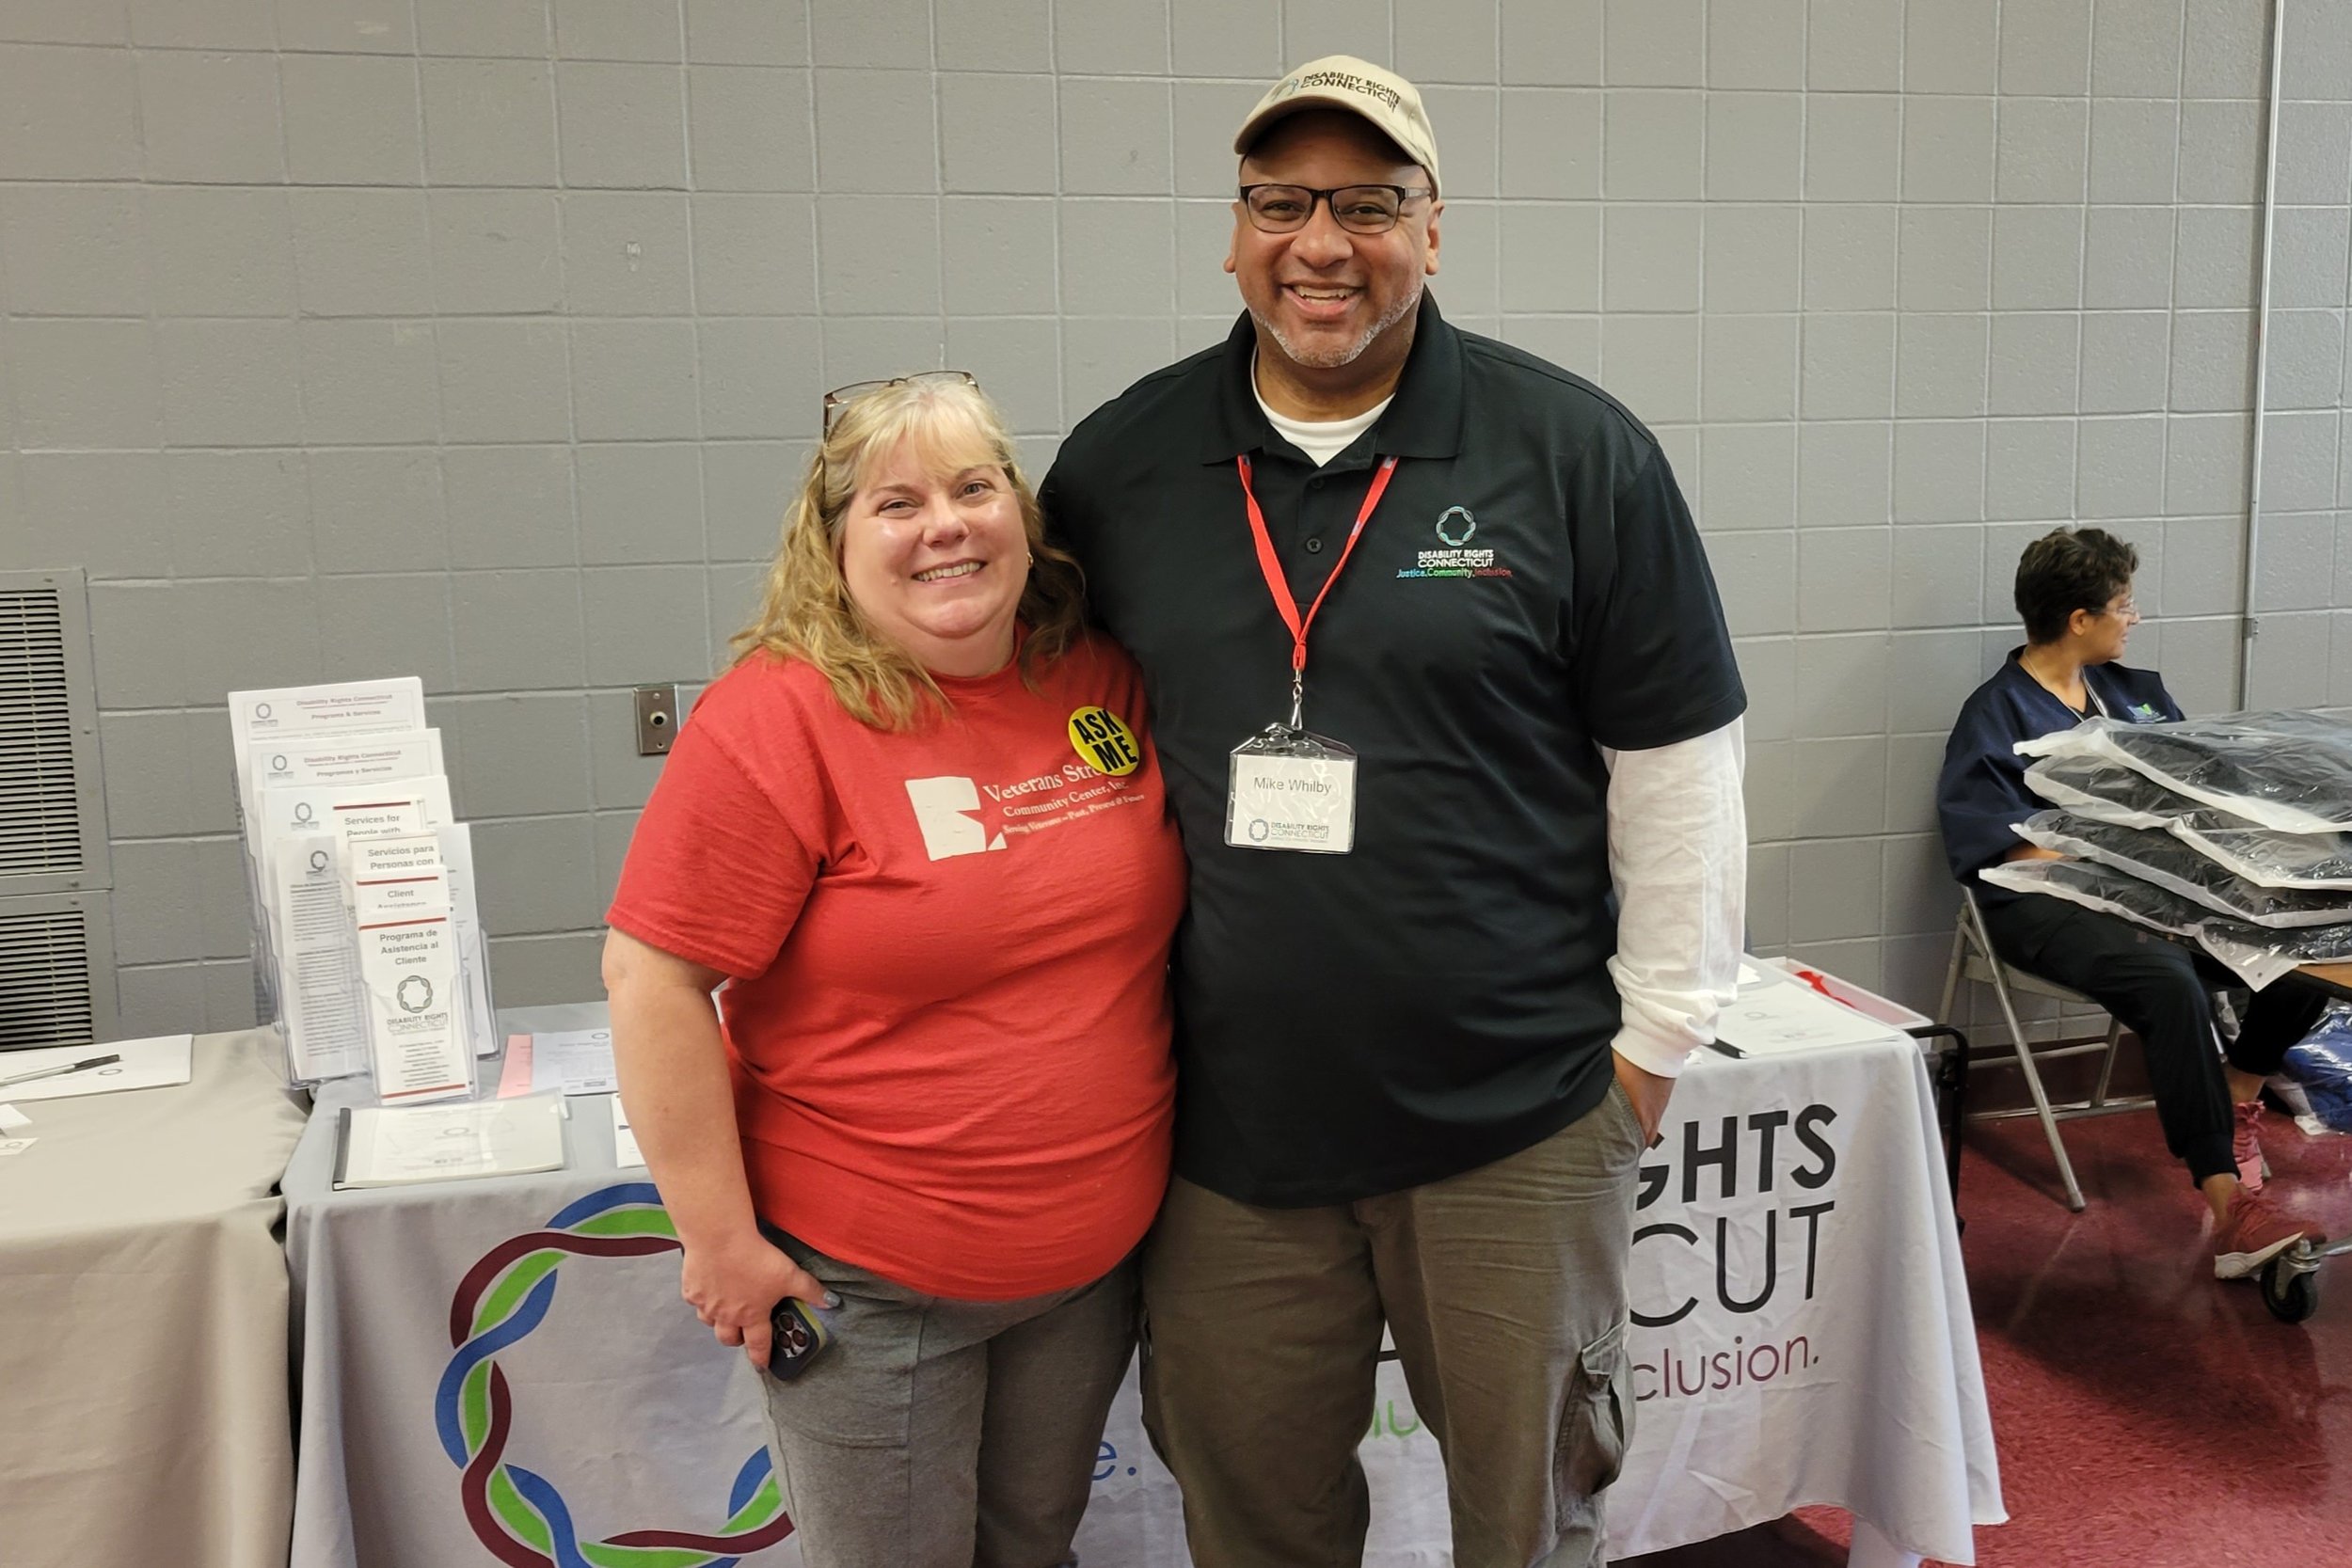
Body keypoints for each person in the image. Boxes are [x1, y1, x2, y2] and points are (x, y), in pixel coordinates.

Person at [1040, 56, 1749, 1568]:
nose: (1322, 242)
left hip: (1516, 1121)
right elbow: (1035, 728)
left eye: (1369, 203)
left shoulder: (1575, 453)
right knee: (1253, 1524)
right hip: (1222, 1139)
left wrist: (1653, 1049)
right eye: (1283, 202)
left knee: (1528, 1521)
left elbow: (1679, 759)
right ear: (1230, 231)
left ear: (1437, 229)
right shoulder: (1122, 462)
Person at [602, 372, 1186, 1568]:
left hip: (1088, 1264)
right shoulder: (777, 717)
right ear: (834, 542)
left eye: (976, 488)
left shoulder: (1094, 678)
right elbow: (651, 977)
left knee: (1033, 1548)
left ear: (1022, 514)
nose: (946, 525)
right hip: (870, 1283)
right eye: (896, 501)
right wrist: (716, 1239)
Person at [1936, 525, 2328, 1277]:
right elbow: (1994, 842)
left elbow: (2195, 795)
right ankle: (2229, 1210)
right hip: (2038, 904)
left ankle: (2239, 1088)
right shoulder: (1995, 713)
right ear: (2079, 619)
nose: (2135, 617)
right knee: (2169, 982)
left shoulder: (2135, 696)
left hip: (2151, 900)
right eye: (2124, 604)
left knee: (2299, 950)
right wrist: (2115, 865)